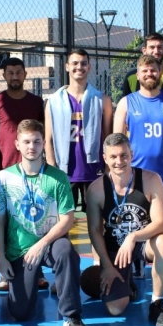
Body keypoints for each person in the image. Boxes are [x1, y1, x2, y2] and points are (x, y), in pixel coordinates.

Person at [0, 120, 86, 326]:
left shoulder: (58, 177)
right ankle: (29, 284)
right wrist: (2, 258)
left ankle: (71, 315)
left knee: (66, 251)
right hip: (20, 251)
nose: (31, 146)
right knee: (20, 313)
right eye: (26, 141)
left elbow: (67, 219)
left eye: (36, 141)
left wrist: (42, 244)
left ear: (44, 143)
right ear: (17, 144)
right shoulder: (4, 178)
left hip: (49, 243)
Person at [114, 54, 163, 292]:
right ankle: (131, 269)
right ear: (138, 75)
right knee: (132, 225)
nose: (149, 74)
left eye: (154, 70)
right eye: (145, 70)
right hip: (135, 178)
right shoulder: (127, 102)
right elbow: (116, 141)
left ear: (160, 73)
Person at [86, 133, 163, 326]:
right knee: (115, 309)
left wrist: (133, 237)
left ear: (131, 154)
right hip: (115, 249)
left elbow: (161, 223)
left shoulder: (151, 179)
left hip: (144, 242)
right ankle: (126, 285)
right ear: (105, 159)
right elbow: (94, 230)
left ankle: (157, 303)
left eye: (124, 155)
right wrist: (106, 265)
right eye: (113, 157)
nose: (119, 161)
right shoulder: (95, 190)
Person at [0, 57, 47, 292]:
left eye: (19, 72)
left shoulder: (37, 102)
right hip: (6, 174)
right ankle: (4, 272)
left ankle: (36, 271)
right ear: (4, 75)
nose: (15, 76)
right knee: (4, 222)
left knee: (36, 219)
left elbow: (42, 137)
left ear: (25, 74)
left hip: (34, 173)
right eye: (10, 73)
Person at [45, 49, 113, 213]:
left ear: (89, 67)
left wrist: (109, 167)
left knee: (98, 220)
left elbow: (109, 138)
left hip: (94, 169)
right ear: (67, 66)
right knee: (62, 220)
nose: (79, 67)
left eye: (83, 63)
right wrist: (52, 166)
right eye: (75, 63)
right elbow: (48, 139)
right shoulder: (53, 101)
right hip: (65, 171)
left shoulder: (102, 100)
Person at [121, 33, 163, 105]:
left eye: (160, 47)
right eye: (152, 47)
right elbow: (126, 106)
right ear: (144, 50)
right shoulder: (131, 77)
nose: (156, 51)